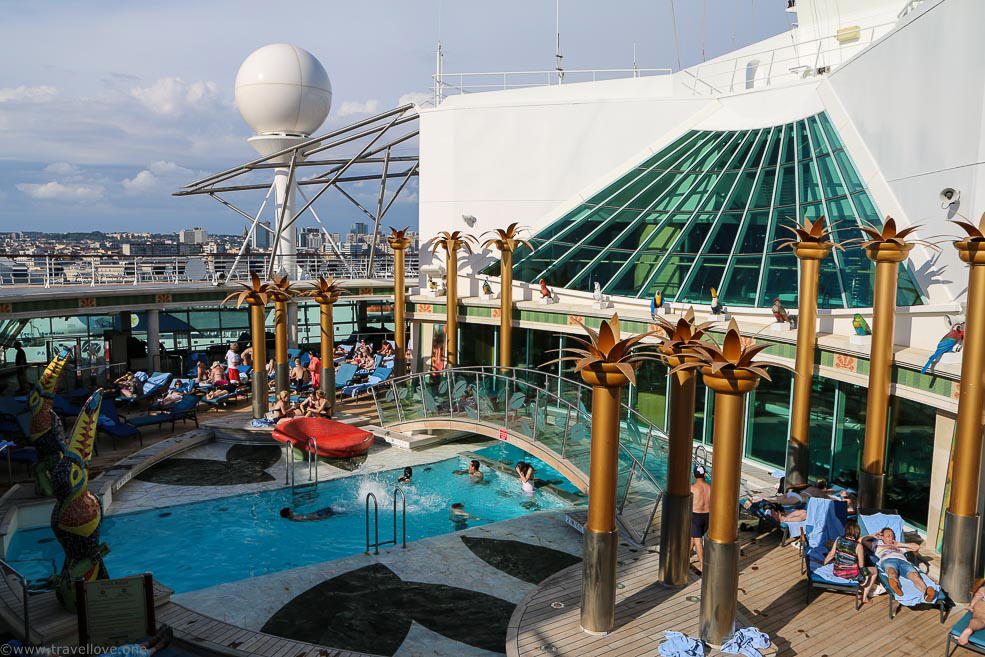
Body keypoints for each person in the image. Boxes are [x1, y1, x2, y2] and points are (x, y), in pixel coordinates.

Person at [861, 527, 937, 602]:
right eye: (888, 536)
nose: (891, 537)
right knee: (891, 571)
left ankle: (926, 592)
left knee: (914, 575)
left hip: (903, 562)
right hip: (888, 560)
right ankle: (895, 584)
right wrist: (873, 535)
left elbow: (916, 547)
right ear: (882, 537)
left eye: (892, 535)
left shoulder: (899, 547)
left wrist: (900, 544)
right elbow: (862, 541)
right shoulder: (876, 545)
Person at [822, 520, 871, 598]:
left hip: (837, 572)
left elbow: (831, 554)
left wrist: (824, 564)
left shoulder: (839, 539)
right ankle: (864, 596)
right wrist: (864, 575)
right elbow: (861, 564)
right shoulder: (858, 546)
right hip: (851, 574)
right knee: (874, 572)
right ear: (857, 532)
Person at [691, 465, 711, 574]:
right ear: (704, 474)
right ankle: (686, 554)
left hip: (696, 515)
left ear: (694, 475)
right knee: (694, 535)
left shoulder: (692, 488)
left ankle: (703, 565)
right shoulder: (710, 488)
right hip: (707, 515)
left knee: (697, 539)